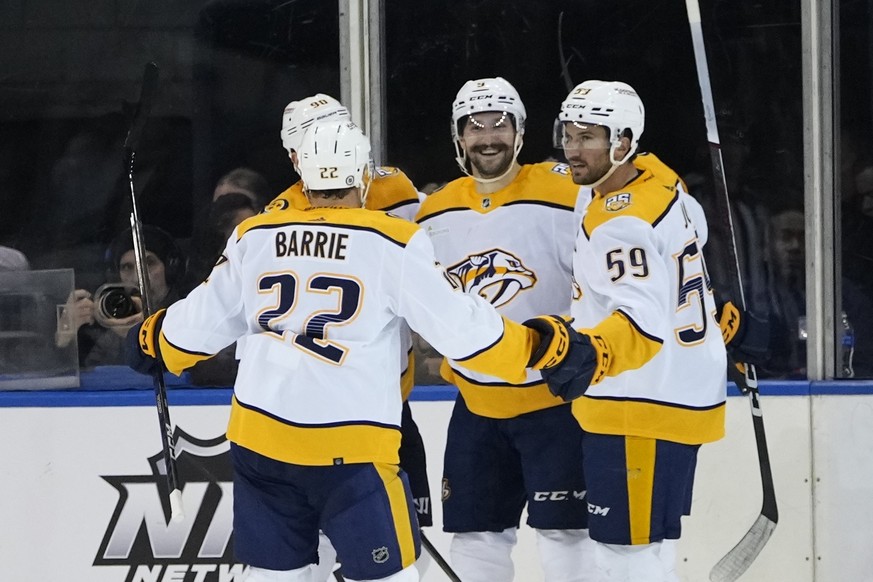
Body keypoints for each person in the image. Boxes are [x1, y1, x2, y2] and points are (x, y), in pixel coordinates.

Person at [124, 119, 584, 582]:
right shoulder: (390, 241)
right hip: (350, 451)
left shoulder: (255, 236)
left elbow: (197, 325)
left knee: (273, 578)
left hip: (260, 445)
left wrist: (152, 340)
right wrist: (537, 348)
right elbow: (463, 331)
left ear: (302, 175)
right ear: (363, 176)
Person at [545, 80, 728, 582]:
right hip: (675, 393)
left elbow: (641, 321)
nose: (573, 148)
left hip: (639, 402)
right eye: (569, 133)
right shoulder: (665, 187)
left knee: (622, 555)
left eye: (589, 137)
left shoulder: (618, 222)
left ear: (623, 142)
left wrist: (590, 354)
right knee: (648, 550)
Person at [415, 77, 593, 582]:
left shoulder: (568, 192)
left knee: (567, 536)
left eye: (500, 123)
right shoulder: (435, 210)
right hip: (477, 406)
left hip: (556, 402)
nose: (487, 136)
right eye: (476, 125)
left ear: (520, 132)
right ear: (458, 135)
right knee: (474, 537)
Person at [267, 93, 432, 580]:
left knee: (407, 550)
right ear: (295, 156)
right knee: (326, 557)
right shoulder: (278, 217)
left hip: (390, 412)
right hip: (326, 417)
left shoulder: (395, 186)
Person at [70, 225, 185, 367]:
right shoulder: (113, 327)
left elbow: (199, 373)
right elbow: (95, 377)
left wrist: (143, 338)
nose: (138, 278)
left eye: (148, 263)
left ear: (170, 270)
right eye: (127, 267)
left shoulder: (191, 316)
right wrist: (65, 341)